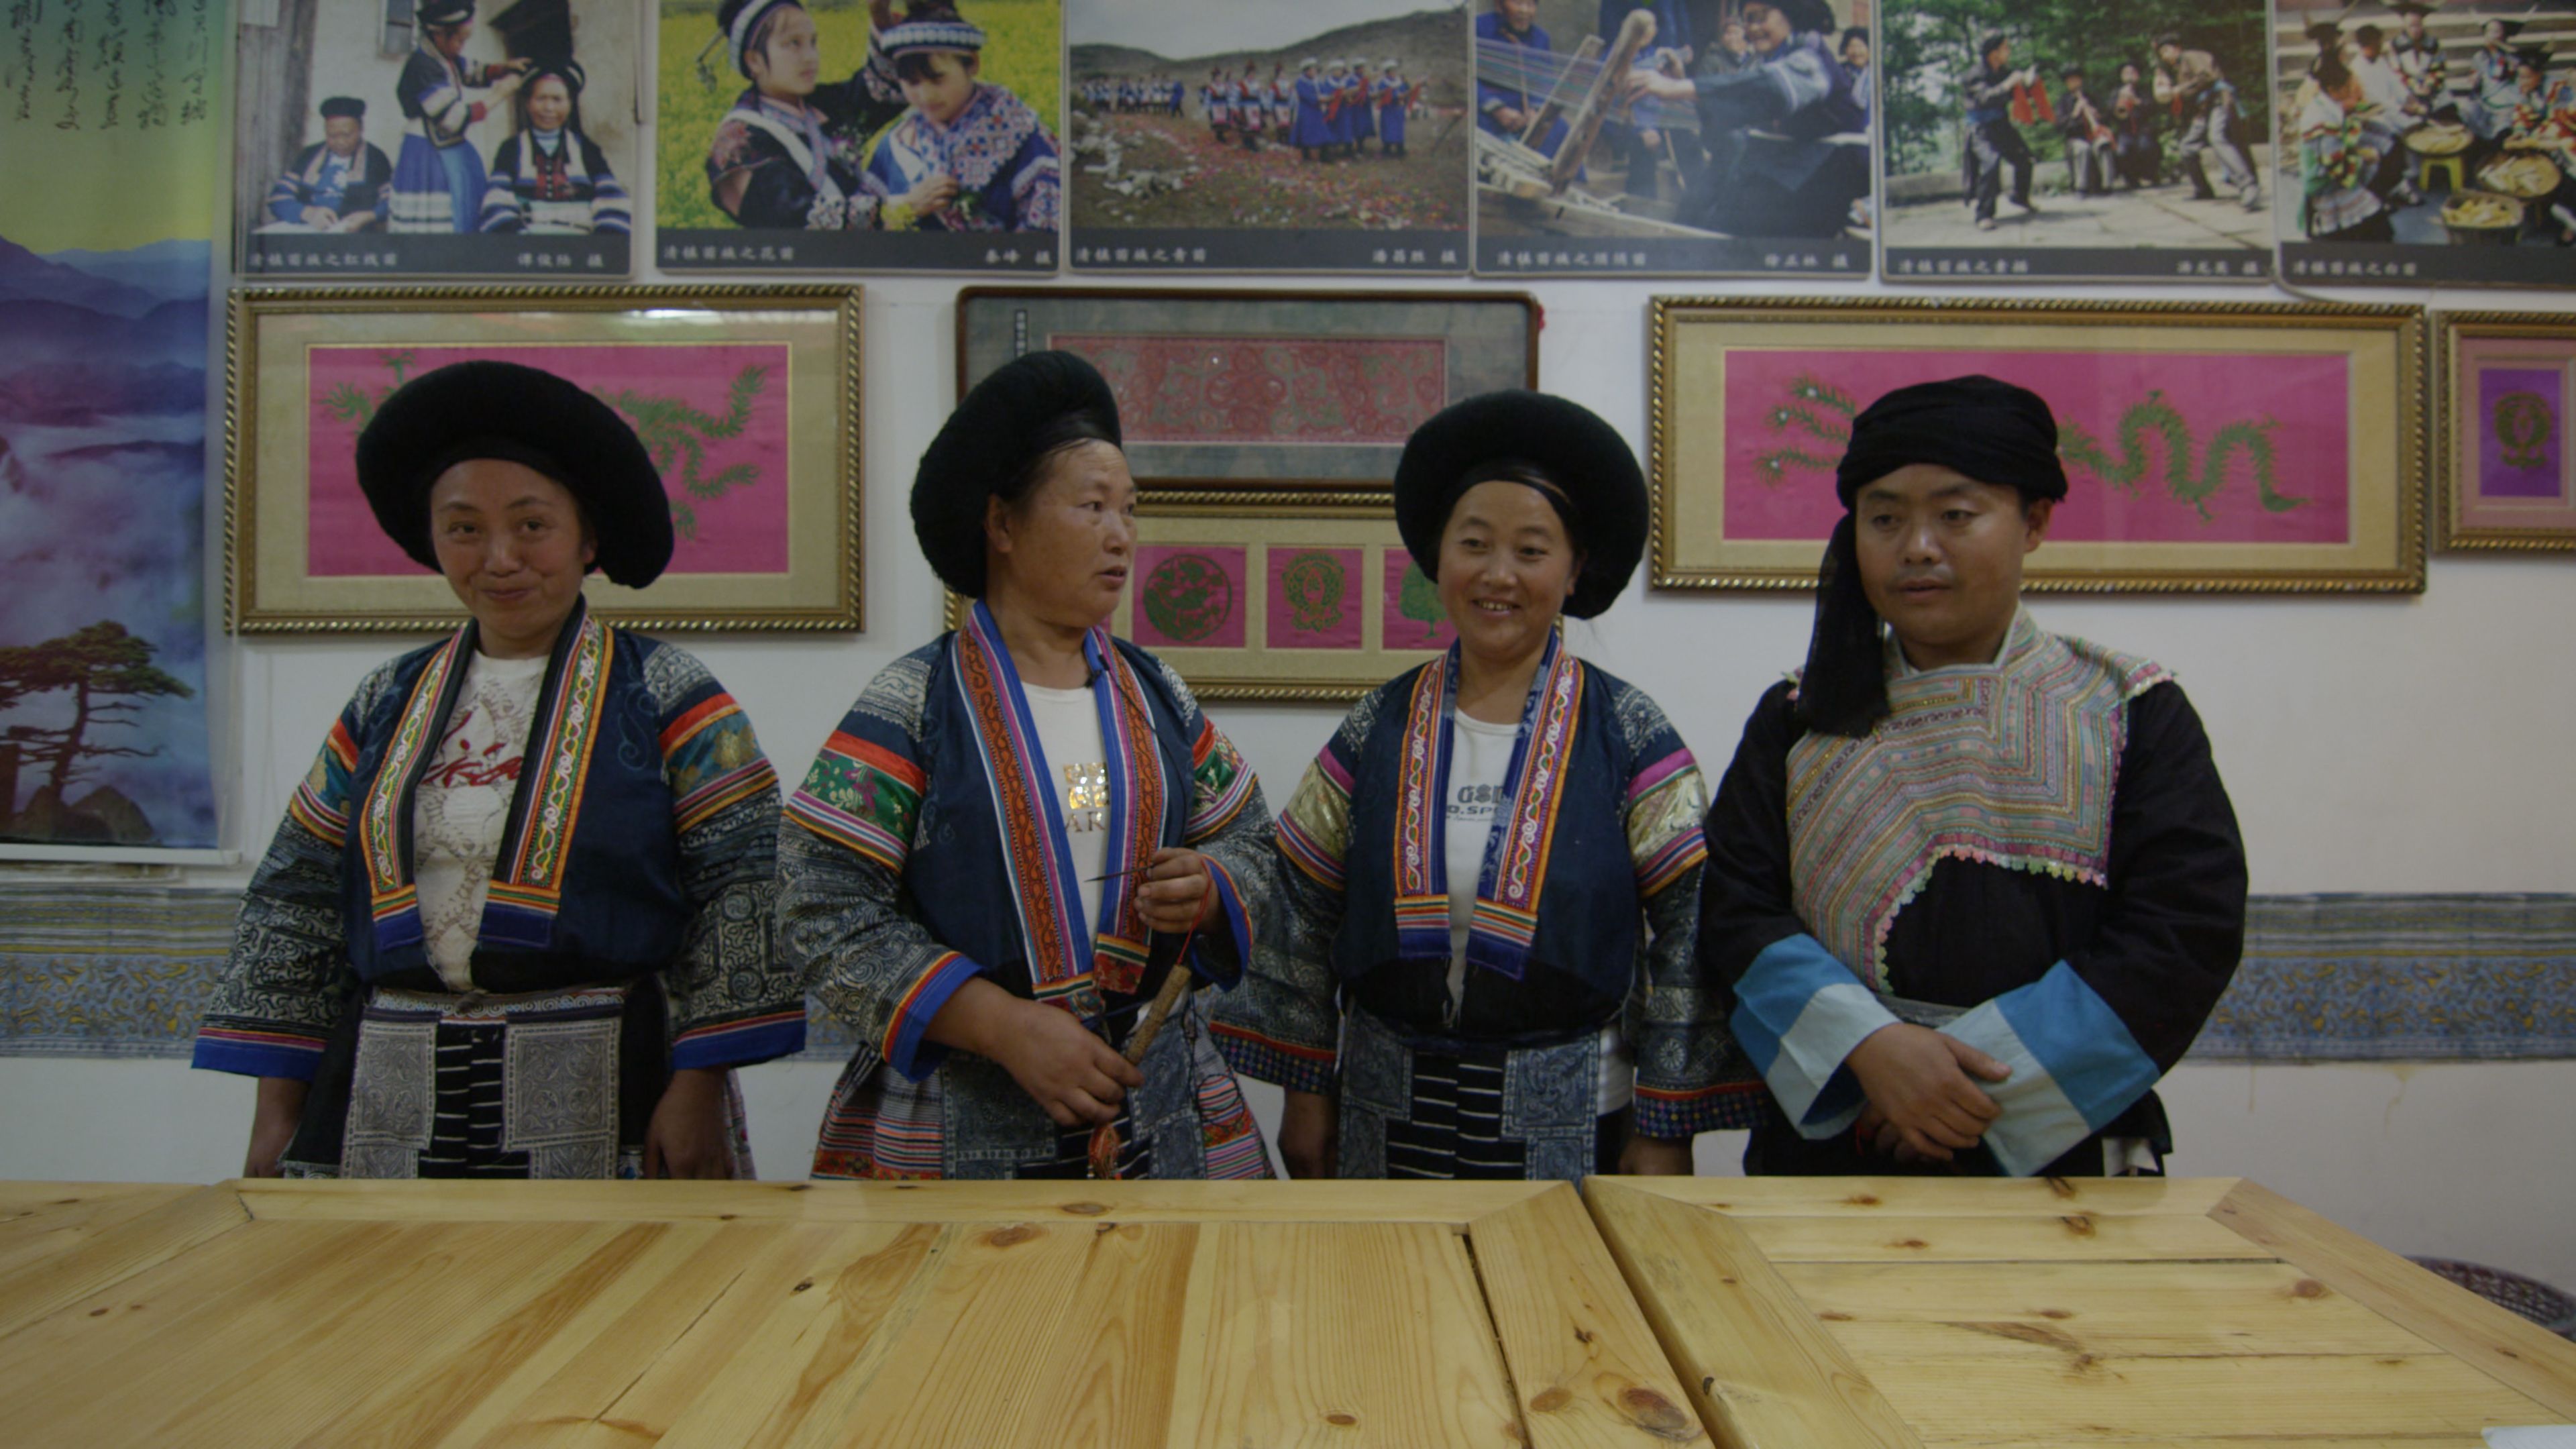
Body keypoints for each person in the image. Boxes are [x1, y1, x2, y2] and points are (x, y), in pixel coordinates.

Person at [194, 362, 801, 1179]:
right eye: (464, 529)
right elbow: (298, 900)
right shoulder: (385, 701)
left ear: (587, 540)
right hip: (386, 1089)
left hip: (610, 1080)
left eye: (532, 525)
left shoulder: (666, 692)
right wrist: (277, 1113)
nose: (501, 558)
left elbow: (745, 886)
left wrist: (698, 1086)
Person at [1700, 376, 2247, 1179]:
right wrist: (1873, 1052)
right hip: (1845, 1130)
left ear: (2035, 522)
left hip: (2060, 1140)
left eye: (1956, 515)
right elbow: (1735, 908)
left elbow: (2183, 929)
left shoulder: (2128, 708)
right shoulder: (1799, 717)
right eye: (1885, 519)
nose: (1918, 547)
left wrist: (1964, 1092)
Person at [1214, 392, 1760, 1182]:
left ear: (1574, 570)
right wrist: (1306, 1090)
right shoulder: (1378, 725)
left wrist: (1667, 1120)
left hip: (1573, 1108)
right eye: (1474, 544)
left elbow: (1690, 923)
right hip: (1382, 1105)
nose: (1498, 575)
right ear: (1438, 558)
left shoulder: (1629, 732)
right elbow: (1302, 902)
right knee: (1391, 1268)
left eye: (1532, 551)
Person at [780, 352, 1278, 1181]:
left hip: (1154, 1100)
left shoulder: (1158, 696)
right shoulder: (913, 704)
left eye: (1129, 509)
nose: (1121, 535)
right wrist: (1000, 1025)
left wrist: (1212, 886)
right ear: (1002, 526)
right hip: (956, 1114)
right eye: (1091, 506)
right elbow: (817, 904)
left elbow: (1254, 842)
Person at [1625, 0, 1868, 238]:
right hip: (1782, 168)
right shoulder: (1763, 60)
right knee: (1701, 209)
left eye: (1761, 17)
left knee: (1737, 224)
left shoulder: (1811, 58)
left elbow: (1768, 90)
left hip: (1822, 176)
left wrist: (1679, 88)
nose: (1753, 28)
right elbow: (1731, 108)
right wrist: (1678, 84)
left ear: (1791, 11)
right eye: (1748, 20)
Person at [704, 0, 928, 231]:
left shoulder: (820, 105)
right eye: (794, 43)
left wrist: (881, 18)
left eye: (813, 43)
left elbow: (881, 91)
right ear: (754, 61)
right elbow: (798, 219)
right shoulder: (737, 145)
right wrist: (903, 208)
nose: (810, 57)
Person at [857, 6, 1061, 233]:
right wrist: (906, 207)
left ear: (972, 63)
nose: (926, 96)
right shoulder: (895, 145)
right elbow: (862, 231)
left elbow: (1046, 231)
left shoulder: (1020, 131)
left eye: (938, 80)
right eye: (912, 83)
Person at [388, 0, 528, 233]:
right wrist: (500, 94)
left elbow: (472, 71)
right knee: (439, 216)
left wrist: (503, 68)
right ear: (439, 35)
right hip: (427, 150)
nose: (462, 46)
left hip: (446, 144)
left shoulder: (444, 57)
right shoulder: (422, 66)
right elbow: (453, 119)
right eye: (460, 40)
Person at [478, 59, 631, 234]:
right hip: (527, 242)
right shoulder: (511, 149)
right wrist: (521, 241)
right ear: (528, 103)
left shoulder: (586, 149)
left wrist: (599, 242)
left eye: (557, 100)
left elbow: (613, 200)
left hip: (581, 242)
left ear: (570, 104)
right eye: (541, 99)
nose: (549, 108)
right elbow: (496, 203)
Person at [2154, 32, 2261, 211]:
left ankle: (2248, 185)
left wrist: (2179, 89)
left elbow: (2207, 76)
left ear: (2177, 48)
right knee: (2187, 147)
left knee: (2217, 137)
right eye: (2161, 54)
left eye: (2166, 50)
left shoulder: (2192, 56)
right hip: (2203, 111)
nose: (2165, 56)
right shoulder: (2177, 70)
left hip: (2218, 101)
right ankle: (2203, 189)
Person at [2300, 49, 2398, 243]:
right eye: (2347, 87)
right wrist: (2364, 157)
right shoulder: (2322, 118)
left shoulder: (2325, 105)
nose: (2350, 91)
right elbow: (2334, 162)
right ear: (2333, 90)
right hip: (2326, 182)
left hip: (2332, 173)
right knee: (2381, 233)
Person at [264, 96, 394, 233]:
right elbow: (278, 198)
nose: (340, 142)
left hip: (354, 236)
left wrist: (371, 216)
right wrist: (307, 213)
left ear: (361, 129)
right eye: (332, 136)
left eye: (347, 135)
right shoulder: (309, 155)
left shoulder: (376, 158)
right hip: (308, 231)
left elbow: (391, 202)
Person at [1477, 0, 1573, 159]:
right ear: (1499, 4)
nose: (1525, 11)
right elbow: (1470, 80)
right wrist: (1497, 109)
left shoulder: (1540, 39)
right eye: (1518, 2)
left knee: (1560, 130)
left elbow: (1546, 82)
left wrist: (1536, 111)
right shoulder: (1479, 29)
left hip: (1526, 120)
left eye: (1531, 4)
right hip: (1488, 115)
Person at [1962, 32, 2038, 230]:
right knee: (1991, 164)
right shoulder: (1974, 75)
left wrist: (2027, 82)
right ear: (1993, 53)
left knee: (2025, 159)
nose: (2009, 51)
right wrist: (2009, 83)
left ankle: (2020, 196)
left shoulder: (2003, 71)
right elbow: (1985, 98)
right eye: (2005, 48)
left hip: (2001, 125)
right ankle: (1984, 214)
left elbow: (2017, 93)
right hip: (1980, 129)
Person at [2390, 3, 2451, 119]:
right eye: (2411, 26)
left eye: (2418, 25)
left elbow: (2440, 68)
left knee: (2447, 113)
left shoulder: (2433, 43)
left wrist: (2430, 84)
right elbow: (2396, 72)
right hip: (2408, 89)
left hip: (2431, 88)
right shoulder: (2396, 45)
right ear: (2405, 27)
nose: (2415, 30)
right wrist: (2414, 86)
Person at [2057, 67, 2112, 197]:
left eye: (2076, 80)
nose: (2075, 83)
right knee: (2083, 148)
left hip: (2094, 135)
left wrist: (2096, 115)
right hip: (2075, 138)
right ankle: (2081, 187)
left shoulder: (2091, 97)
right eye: (2071, 81)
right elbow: (2060, 126)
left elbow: (2107, 117)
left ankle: (2107, 185)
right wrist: (2075, 113)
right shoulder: (2063, 101)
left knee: (2104, 145)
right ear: (2067, 84)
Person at [2110, 59, 2161, 189]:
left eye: (2132, 72)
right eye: (2126, 73)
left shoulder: (2144, 91)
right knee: (2121, 151)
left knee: (2146, 147)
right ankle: (2131, 180)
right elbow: (2109, 114)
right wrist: (2119, 100)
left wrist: (2137, 101)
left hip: (2143, 128)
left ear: (2138, 75)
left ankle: (2150, 176)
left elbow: (2153, 108)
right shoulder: (2116, 92)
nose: (2129, 76)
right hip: (2125, 130)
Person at [1293, 56, 1332, 162]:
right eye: (1313, 69)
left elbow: (1324, 91)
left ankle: (1324, 155)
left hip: (1317, 111)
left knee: (1323, 131)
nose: (1315, 71)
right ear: (1307, 71)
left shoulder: (1318, 82)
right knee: (1306, 132)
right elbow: (1306, 96)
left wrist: (1328, 97)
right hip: (1307, 111)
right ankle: (1306, 155)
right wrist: (1319, 99)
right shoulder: (1301, 82)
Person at [1376, 58, 1412, 158]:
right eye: (1392, 71)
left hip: (1398, 109)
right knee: (1388, 128)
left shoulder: (1400, 81)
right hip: (1388, 109)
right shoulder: (1383, 83)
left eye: (1395, 70)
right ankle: (1387, 147)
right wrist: (1396, 96)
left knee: (1399, 129)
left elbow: (1405, 91)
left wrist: (1405, 97)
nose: (1394, 73)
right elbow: (1383, 95)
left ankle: (1400, 147)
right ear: (1387, 72)